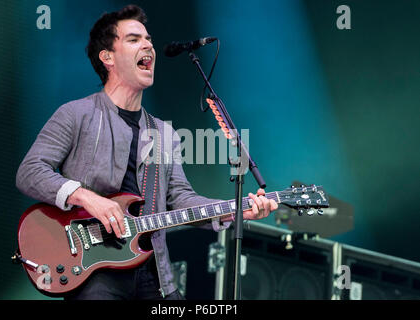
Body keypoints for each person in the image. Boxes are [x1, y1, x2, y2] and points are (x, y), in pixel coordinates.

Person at [16, 4, 278, 300]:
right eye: (134, 39)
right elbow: (30, 171)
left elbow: (181, 200)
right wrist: (86, 197)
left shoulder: (163, 134)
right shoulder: (76, 114)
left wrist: (237, 210)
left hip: (152, 271)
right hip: (94, 271)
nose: (148, 45)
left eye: (149, 39)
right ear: (108, 57)